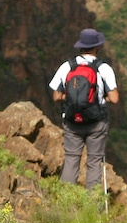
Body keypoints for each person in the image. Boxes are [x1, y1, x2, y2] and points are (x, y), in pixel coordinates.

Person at [49, 28, 119, 190]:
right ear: (97, 47)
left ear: (80, 46)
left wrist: (71, 98)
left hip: (72, 121)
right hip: (96, 122)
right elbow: (115, 98)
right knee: (94, 162)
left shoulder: (67, 66)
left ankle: (65, 199)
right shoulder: (103, 68)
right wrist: (100, 99)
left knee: (71, 159)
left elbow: (56, 96)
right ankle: (92, 202)